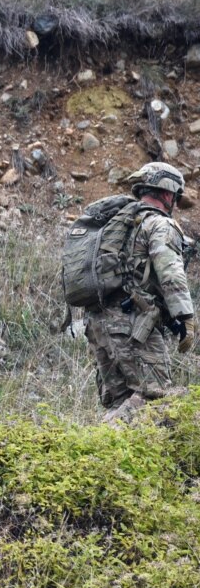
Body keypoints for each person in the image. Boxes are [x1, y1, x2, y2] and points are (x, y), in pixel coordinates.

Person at [84, 162, 194, 421]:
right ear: (168, 194)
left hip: (97, 325)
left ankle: (95, 454)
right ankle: (90, 447)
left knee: (122, 404)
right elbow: (171, 273)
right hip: (133, 327)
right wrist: (187, 318)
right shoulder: (158, 224)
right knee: (153, 400)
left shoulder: (116, 225)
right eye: (176, 197)